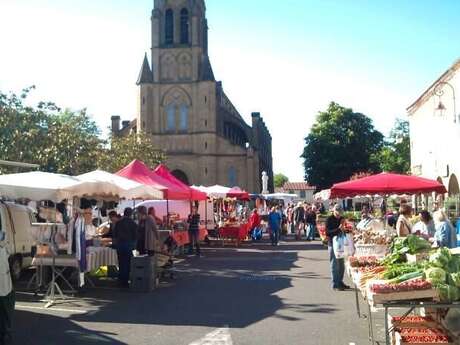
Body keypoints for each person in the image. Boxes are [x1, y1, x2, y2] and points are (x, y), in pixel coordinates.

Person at [326, 205, 350, 291]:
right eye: (338, 213)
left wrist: (345, 228)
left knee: (341, 264)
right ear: (334, 211)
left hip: (341, 244)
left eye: (340, 213)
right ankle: (335, 284)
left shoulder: (342, 219)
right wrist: (338, 229)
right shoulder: (329, 219)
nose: (339, 215)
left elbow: (344, 230)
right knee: (334, 265)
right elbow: (328, 232)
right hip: (332, 244)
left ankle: (340, 281)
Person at [112, 208, 138, 287]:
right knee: (127, 263)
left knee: (121, 263)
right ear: (131, 214)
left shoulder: (118, 223)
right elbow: (135, 236)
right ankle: (125, 281)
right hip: (128, 245)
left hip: (120, 245)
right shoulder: (133, 223)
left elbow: (115, 234)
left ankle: (121, 280)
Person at [0, 229, 14, 345]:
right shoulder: (3, 239)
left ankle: (5, 333)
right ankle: (5, 333)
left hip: (4, 284)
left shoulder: (3, 238)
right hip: (4, 285)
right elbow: (8, 252)